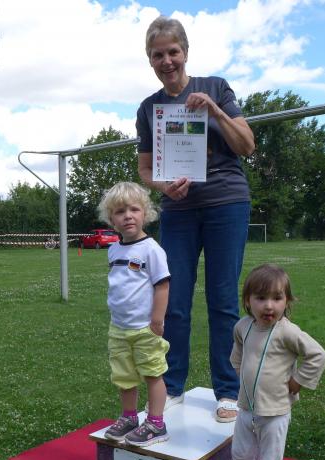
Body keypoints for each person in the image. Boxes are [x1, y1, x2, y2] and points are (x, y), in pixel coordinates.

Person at [136, 15, 256, 422]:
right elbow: (146, 170)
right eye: (158, 55)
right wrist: (164, 187)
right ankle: (171, 386)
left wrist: (215, 112)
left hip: (226, 202)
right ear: (150, 60)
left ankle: (228, 390)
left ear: (185, 52)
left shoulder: (216, 88)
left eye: (173, 52)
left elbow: (247, 145)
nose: (167, 61)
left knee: (223, 300)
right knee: (173, 301)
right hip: (179, 210)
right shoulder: (149, 108)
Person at [225, 264, 325, 460]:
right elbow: (237, 353)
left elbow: (317, 355)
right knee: (241, 453)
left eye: (277, 298)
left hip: (275, 412)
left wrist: (298, 381)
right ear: (248, 301)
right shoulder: (243, 326)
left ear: (287, 301)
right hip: (246, 408)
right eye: (261, 298)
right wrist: (243, 376)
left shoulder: (287, 332)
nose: (268, 305)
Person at [98, 182, 172, 447]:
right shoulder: (113, 250)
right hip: (119, 328)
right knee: (124, 377)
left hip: (145, 328)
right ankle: (129, 417)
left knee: (153, 373)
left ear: (145, 213)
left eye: (134, 209)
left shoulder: (152, 249)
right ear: (112, 219)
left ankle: (156, 423)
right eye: (120, 212)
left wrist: (157, 320)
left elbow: (162, 286)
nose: (128, 216)